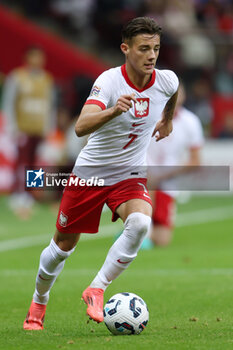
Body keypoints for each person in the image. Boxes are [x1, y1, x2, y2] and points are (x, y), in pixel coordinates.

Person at [23, 17, 179, 330]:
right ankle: (39, 301)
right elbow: (80, 126)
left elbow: (171, 95)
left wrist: (168, 120)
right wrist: (113, 110)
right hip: (91, 174)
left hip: (130, 174)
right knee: (61, 249)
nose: (151, 56)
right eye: (144, 49)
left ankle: (96, 288)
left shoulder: (167, 81)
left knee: (140, 223)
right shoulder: (109, 82)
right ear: (125, 49)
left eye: (156, 49)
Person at [145, 83, 204, 247]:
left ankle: (140, 233)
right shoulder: (149, 115)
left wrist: (163, 175)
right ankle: (137, 230)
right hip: (143, 175)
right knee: (142, 224)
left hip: (168, 181)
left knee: (162, 241)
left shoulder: (191, 122)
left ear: (184, 96)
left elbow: (196, 161)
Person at [2, 46, 55, 219]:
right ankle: (18, 194)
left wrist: (50, 127)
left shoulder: (47, 79)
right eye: (34, 57)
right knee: (21, 161)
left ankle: (30, 194)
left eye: (40, 58)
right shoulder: (17, 77)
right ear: (27, 58)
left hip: (39, 127)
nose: (38, 61)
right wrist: (12, 126)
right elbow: (9, 102)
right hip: (22, 127)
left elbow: (50, 105)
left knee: (34, 162)